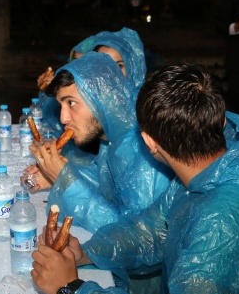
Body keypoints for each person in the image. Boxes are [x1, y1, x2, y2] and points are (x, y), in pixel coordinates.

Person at [31, 64, 239, 294]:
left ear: (149, 142)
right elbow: (151, 231)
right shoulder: (204, 171)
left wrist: (71, 292)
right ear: (221, 120)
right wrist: (85, 253)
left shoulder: (221, 219)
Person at [28, 52, 173, 233]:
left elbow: (134, 234)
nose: (63, 118)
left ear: (101, 99)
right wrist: (60, 176)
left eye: (71, 103)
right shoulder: (112, 139)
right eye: (61, 106)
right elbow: (108, 188)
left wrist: (65, 179)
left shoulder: (143, 150)